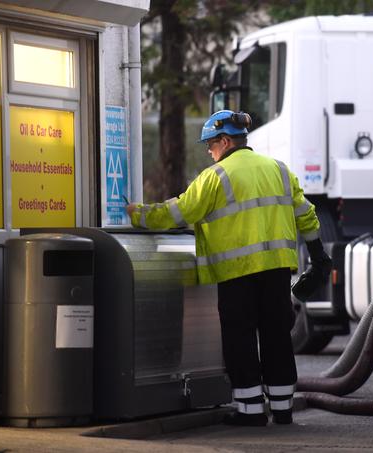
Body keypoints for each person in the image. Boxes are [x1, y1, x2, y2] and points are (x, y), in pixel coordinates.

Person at [126, 110, 332, 426]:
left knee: (241, 339)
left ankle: (250, 411)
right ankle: (282, 409)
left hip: (237, 272)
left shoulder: (216, 177)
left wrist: (139, 214)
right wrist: (318, 256)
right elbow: (306, 214)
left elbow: (180, 212)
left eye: (211, 144)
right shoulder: (278, 169)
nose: (209, 151)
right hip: (277, 269)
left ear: (225, 140)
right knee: (277, 336)